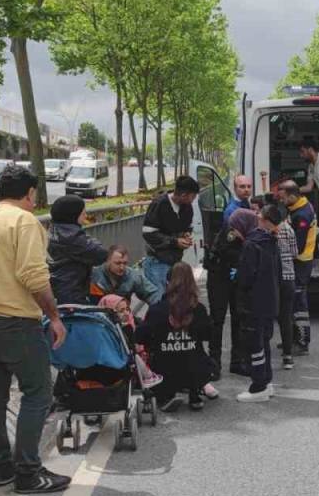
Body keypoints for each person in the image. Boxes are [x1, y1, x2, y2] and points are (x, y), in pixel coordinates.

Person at [0, 165, 70, 495]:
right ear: (29, 193)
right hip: (18, 322)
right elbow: (34, 276)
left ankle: (2, 466)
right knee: (38, 392)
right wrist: (54, 317)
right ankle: (28, 472)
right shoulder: (24, 222)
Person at [136, 262, 217, 412]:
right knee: (196, 356)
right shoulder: (199, 309)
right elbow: (208, 335)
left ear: (167, 283)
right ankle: (195, 391)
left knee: (159, 360)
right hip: (194, 368)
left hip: (164, 369)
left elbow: (140, 337)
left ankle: (167, 394)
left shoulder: (157, 310)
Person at [235, 204, 283, 403]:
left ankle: (258, 386)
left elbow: (245, 277)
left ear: (263, 220)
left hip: (253, 302)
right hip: (270, 301)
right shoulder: (272, 242)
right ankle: (266, 380)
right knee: (265, 342)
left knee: (255, 345)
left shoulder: (252, 244)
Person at [206, 175, 252, 380]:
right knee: (217, 320)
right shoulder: (232, 212)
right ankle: (214, 364)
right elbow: (229, 245)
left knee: (239, 317)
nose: (246, 189)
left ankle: (237, 362)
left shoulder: (247, 207)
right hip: (220, 273)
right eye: (242, 186)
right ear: (235, 188)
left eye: (248, 186)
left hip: (235, 272)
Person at [141, 176, 198, 301]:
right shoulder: (159, 204)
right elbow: (148, 233)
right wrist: (175, 241)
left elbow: (187, 226)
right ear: (183, 195)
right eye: (193, 196)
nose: (193, 200)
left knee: (175, 301)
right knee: (159, 301)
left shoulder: (187, 208)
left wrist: (186, 234)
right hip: (157, 262)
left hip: (175, 262)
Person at [47, 194, 108, 305]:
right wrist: (90, 239)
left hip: (55, 289)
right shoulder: (73, 238)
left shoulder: (52, 230)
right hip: (71, 293)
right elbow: (100, 254)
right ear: (73, 215)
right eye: (83, 213)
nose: (86, 216)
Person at [279, 180, 317, 354]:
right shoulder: (298, 207)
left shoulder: (302, 215)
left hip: (301, 262)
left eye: (283, 198)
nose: (281, 201)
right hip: (300, 262)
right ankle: (292, 338)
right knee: (293, 302)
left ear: (293, 196)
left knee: (299, 303)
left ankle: (302, 342)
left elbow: (298, 247)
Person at [97, 294, 164, 391]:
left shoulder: (129, 326)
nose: (126, 313)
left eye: (127, 309)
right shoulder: (103, 332)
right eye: (121, 311)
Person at [90, 244, 159, 305]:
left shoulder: (133, 276)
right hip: (97, 313)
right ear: (108, 261)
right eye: (118, 263)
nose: (122, 267)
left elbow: (152, 293)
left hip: (122, 313)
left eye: (125, 263)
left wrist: (158, 308)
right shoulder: (94, 274)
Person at [274, 204, 297, 371]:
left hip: (273, 278)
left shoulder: (270, 231)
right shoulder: (289, 230)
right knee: (286, 317)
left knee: (269, 315)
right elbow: (295, 253)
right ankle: (288, 356)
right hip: (288, 277)